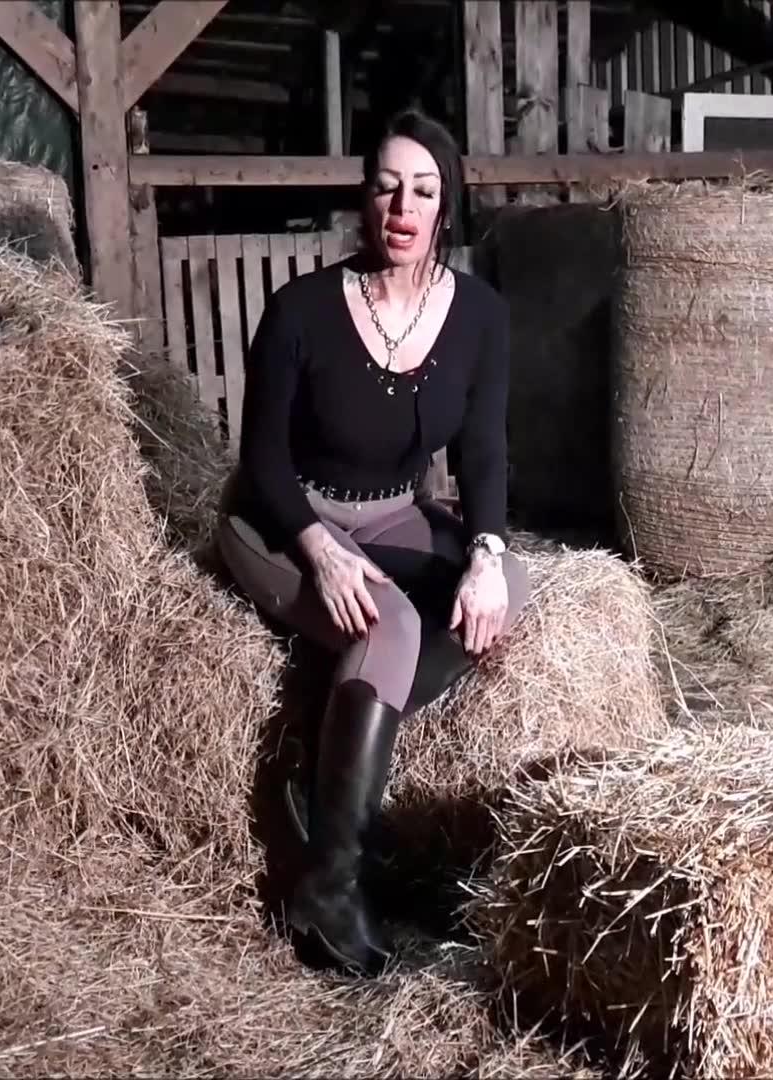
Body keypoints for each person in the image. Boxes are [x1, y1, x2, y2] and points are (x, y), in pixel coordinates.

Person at [213, 107, 530, 977]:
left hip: (392, 511)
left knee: (511, 589)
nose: (403, 207)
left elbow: (484, 451)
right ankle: (331, 886)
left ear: (446, 203)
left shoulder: (480, 315)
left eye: (422, 190)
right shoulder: (302, 310)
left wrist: (486, 553)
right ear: (364, 197)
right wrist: (317, 548)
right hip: (282, 519)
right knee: (388, 626)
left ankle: (326, 784)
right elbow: (261, 460)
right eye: (387, 187)